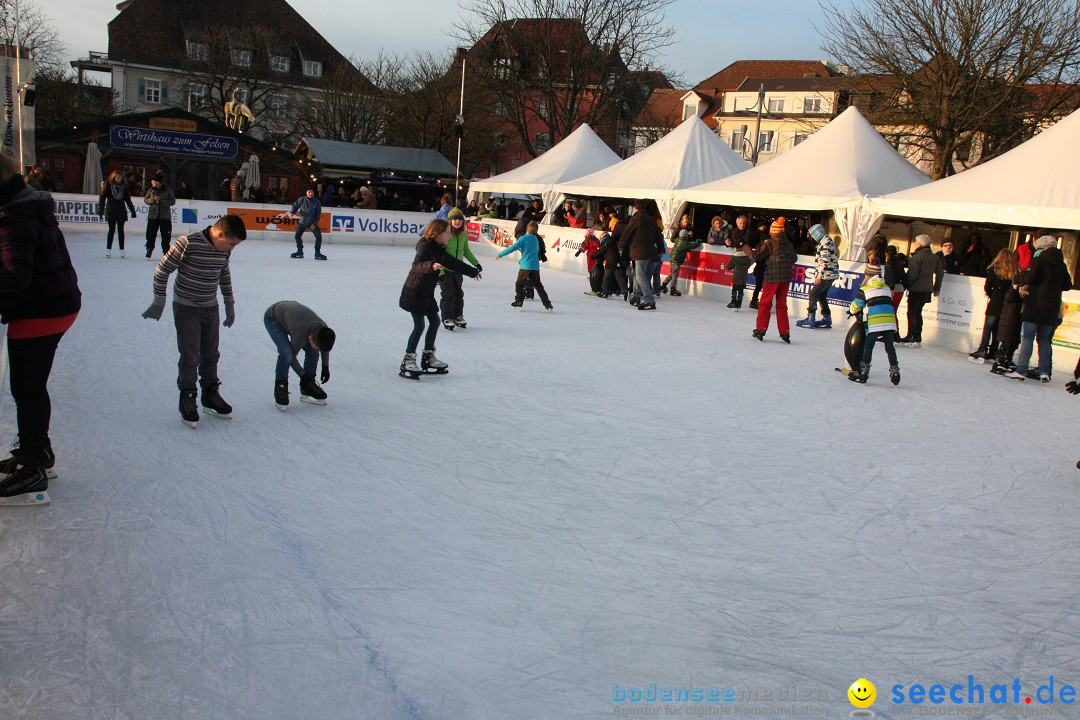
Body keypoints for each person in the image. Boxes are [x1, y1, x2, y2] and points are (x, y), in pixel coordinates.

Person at [0, 154, 82, 505]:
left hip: (41, 310)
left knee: (27, 389)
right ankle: (40, 453)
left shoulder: (14, 219)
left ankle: (33, 465)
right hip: (58, 303)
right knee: (31, 387)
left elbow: (14, 278)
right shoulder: (29, 205)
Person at [141, 215, 246, 427]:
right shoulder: (187, 243)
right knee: (190, 355)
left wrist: (229, 302)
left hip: (210, 307)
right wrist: (159, 300)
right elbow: (162, 270)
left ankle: (209, 394)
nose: (232, 249)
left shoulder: (223, 250)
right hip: (186, 307)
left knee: (211, 353)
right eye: (232, 243)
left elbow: (224, 273)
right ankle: (187, 396)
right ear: (220, 234)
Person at [398, 219, 480, 377]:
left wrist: (472, 271)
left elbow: (453, 262)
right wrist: (430, 266)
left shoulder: (438, 249)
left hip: (426, 293)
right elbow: (416, 265)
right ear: (436, 234)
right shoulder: (425, 248)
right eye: (447, 233)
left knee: (435, 322)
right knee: (419, 325)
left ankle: (428, 356)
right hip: (414, 291)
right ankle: (408, 358)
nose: (450, 236)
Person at [1003, 235, 1073, 382]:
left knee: (1028, 338)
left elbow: (1030, 277)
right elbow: (1067, 285)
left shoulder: (1039, 260)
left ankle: (1021, 370)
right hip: (1052, 309)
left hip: (1036, 305)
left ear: (1041, 248)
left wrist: (1017, 279)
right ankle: (1044, 372)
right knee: (1045, 340)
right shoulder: (1061, 264)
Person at [264, 301, 335, 410]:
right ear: (310, 338)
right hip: (273, 318)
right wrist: (303, 375)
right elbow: (292, 357)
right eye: (318, 347)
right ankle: (280, 387)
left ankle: (308, 386)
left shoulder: (323, 329)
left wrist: (325, 366)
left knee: (313, 351)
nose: (319, 350)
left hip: (292, 316)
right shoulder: (300, 333)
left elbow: (324, 346)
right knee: (286, 354)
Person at [847, 257, 901, 385]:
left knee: (868, 347)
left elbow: (856, 305)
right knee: (889, 347)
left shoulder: (865, 289)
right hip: (890, 322)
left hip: (875, 323)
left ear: (868, 275)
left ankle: (863, 372)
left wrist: (852, 311)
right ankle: (895, 371)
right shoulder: (887, 288)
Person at [752, 217, 798, 343]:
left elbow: (756, 255)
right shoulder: (788, 244)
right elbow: (794, 259)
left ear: (773, 231)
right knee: (782, 304)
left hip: (772, 277)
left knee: (765, 303)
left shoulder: (770, 243)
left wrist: (743, 246)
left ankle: (761, 329)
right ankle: (785, 332)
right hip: (786, 277)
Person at [438, 207, 483, 330]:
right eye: (455, 219)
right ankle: (447, 317)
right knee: (448, 294)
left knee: (459, 294)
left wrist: (476, 263)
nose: (457, 222)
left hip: (458, 270)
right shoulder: (446, 235)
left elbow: (466, 251)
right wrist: (440, 271)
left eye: (460, 219)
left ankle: (458, 316)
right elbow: (439, 255)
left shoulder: (463, 234)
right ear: (450, 221)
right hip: (445, 270)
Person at [970, 249, 1017, 362]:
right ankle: (994, 350)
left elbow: (987, 286)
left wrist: (992, 294)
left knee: (988, 327)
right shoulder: (1014, 271)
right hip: (1007, 303)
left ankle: (983, 348)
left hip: (995, 301)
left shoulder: (994, 270)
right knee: (998, 328)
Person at [496, 220, 553, 311]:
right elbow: (536, 251)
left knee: (519, 284)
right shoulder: (536, 239)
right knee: (538, 286)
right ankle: (548, 304)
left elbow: (512, 248)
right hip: (535, 266)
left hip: (525, 266)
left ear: (527, 228)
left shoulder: (523, 238)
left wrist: (500, 254)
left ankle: (519, 301)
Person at [899, 234, 943, 347]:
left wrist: (905, 284)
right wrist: (936, 288)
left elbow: (912, 274)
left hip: (916, 288)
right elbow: (940, 273)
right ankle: (917, 335)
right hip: (927, 289)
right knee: (918, 312)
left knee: (912, 312)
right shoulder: (935, 257)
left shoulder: (917, 257)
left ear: (919, 244)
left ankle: (911, 335)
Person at [796, 223, 839, 329]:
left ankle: (811, 317)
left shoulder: (824, 243)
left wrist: (819, 275)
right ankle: (827, 318)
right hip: (831, 274)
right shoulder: (828, 240)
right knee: (821, 295)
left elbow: (825, 261)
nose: (813, 237)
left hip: (826, 275)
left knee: (813, 294)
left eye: (813, 234)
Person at [625, 201, 662, 311]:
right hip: (649, 252)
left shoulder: (635, 219)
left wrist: (621, 246)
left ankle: (649, 299)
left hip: (640, 251)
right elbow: (658, 235)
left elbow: (627, 233)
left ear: (636, 208)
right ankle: (636, 295)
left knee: (641, 275)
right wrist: (661, 248)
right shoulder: (651, 220)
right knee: (638, 274)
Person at [97, 170, 137, 257]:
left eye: (120, 178)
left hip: (121, 211)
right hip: (111, 210)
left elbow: (128, 200)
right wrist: (101, 210)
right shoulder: (108, 186)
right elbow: (102, 198)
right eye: (117, 178)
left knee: (120, 230)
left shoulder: (124, 187)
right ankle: (108, 249)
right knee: (111, 230)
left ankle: (121, 250)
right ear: (114, 177)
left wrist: (133, 211)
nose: (119, 180)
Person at [662, 216, 702, 297]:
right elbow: (694, 245)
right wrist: (698, 240)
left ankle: (664, 284)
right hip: (676, 260)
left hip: (674, 259)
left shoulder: (678, 240)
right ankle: (673, 289)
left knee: (673, 274)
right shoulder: (684, 243)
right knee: (675, 275)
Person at [144, 171, 175, 260]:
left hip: (165, 216)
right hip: (153, 216)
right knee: (150, 234)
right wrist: (153, 199)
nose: (151, 182)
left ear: (158, 182)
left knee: (166, 235)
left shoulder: (168, 190)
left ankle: (166, 251)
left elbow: (172, 201)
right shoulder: (151, 190)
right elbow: (146, 200)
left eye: (153, 181)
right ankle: (149, 248)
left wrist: (162, 201)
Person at [288, 188, 325, 260]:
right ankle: (300, 251)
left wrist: (314, 224)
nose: (310, 193)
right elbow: (295, 206)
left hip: (312, 222)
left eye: (312, 192)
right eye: (309, 192)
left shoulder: (316, 202)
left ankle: (317, 253)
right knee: (297, 236)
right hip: (303, 222)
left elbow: (318, 214)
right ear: (306, 193)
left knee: (318, 237)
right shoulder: (301, 199)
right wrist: (292, 212)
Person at [748, 218, 771, 309]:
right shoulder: (761, 247)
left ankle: (756, 300)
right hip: (761, 268)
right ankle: (755, 301)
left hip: (761, 268)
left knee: (760, 285)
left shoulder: (761, 246)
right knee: (760, 285)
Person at [576, 226, 604, 295]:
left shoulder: (588, 239)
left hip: (592, 255)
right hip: (598, 255)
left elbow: (584, 246)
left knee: (592, 270)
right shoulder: (596, 239)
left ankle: (594, 287)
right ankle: (599, 287)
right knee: (597, 269)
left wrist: (579, 252)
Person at [727, 240, 753, 309]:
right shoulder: (747, 257)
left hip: (737, 275)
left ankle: (733, 302)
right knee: (741, 290)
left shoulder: (734, 257)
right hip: (744, 276)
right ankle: (739, 303)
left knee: (735, 289)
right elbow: (749, 265)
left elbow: (729, 267)